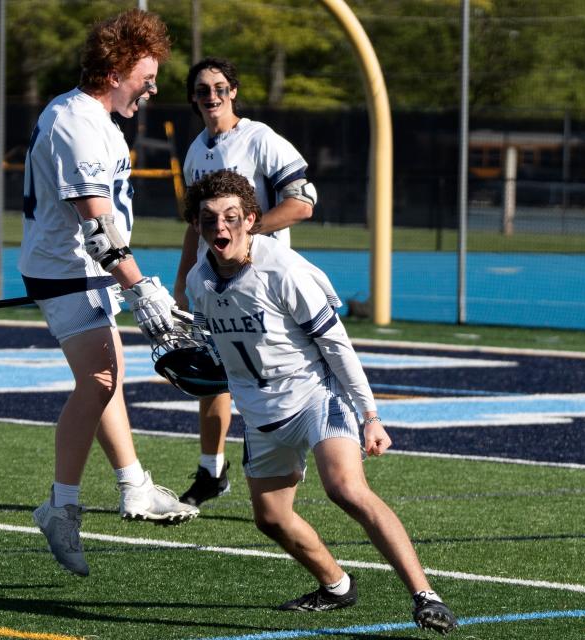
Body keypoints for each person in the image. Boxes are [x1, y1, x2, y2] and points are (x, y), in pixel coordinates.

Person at [183, 170, 457, 633]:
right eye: (209, 220)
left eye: (231, 217)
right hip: (261, 412)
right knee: (271, 519)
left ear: (251, 219)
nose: (220, 228)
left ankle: (425, 595)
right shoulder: (199, 280)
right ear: (197, 225)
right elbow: (217, 348)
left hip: (315, 395)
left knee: (345, 489)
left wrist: (371, 415)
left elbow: (337, 346)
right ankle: (336, 586)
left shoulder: (284, 270)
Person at [19, 9, 198, 577]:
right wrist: (141, 285)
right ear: (118, 68)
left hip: (86, 268)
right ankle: (61, 506)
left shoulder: (98, 120)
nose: (153, 85)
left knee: (110, 374)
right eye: (147, 74)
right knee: (98, 379)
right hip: (67, 268)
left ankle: (133, 485)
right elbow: (96, 225)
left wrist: (130, 280)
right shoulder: (74, 122)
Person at [172, 57, 317, 507]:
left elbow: (302, 204)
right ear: (193, 98)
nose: (211, 96)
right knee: (213, 373)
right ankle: (211, 470)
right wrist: (182, 279)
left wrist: (245, 233)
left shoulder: (260, 138)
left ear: (233, 91)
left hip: (261, 281)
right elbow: (195, 225)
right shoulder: (197, 149)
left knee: (269, 374)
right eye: (201, 90)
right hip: (213, 280)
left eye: (219, 87)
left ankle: (301, 454)